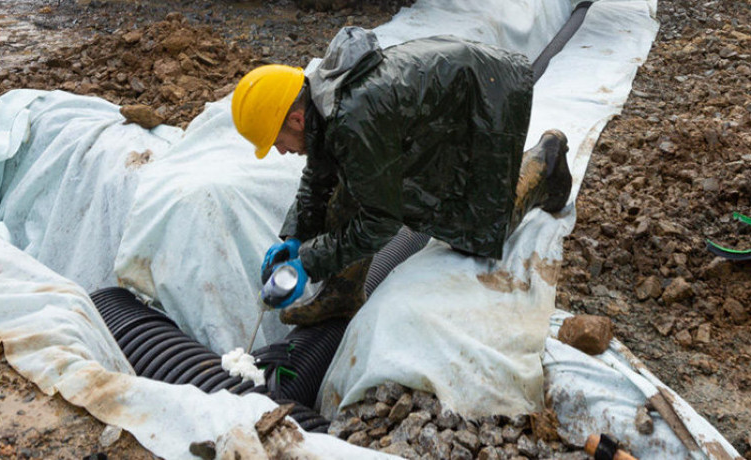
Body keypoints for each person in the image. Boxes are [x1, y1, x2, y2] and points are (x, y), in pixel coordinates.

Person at [231, 27, 572, 326]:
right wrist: (294, 236)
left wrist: (308, 261)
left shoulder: (352, 119)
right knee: (349, 192)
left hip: (483, 96)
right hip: (439, 100)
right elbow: (319, 179)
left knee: (476, 232)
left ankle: (546, 162)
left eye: (277, 142)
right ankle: (343, 295)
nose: (280, 151)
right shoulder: (320, 102)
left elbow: (381, 222)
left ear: (295, 120)